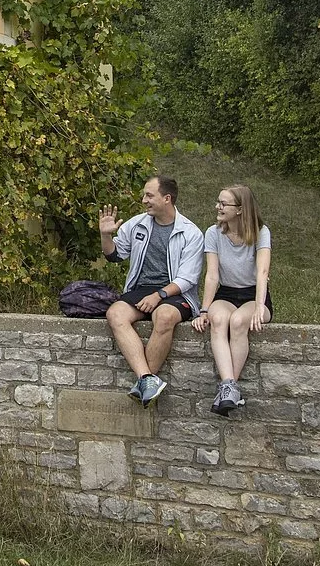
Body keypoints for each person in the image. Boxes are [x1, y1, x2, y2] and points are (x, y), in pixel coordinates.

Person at [99, 176, 205, 405]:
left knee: (164, 316)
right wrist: (106, 235)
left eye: (149, 195)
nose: (143, 200)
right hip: (141, 288)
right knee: (115, 313)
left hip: (176, 293)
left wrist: (159, 296)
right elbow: (114, 255)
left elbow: (187, 279)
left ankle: (145, 381)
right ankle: (147, 379)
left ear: (167, 198)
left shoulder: (191, 233)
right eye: (144, 195)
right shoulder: (138, 224)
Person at [191, 184, 273, 415]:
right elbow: (212, 274)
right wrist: (204, 310)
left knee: (238, 322)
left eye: (223, 203)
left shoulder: (260, 232)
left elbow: (262, 272)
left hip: (253, 294)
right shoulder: (213, 232)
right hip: (226, 293)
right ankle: (229, 388)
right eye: (218, 202)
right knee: (218, 321)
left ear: (240, 209)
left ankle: (227, 391)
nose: (218, 207)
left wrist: (258, 307)